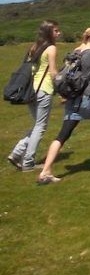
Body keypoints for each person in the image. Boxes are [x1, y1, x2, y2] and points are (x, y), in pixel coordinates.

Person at [37, 23, 90, 183]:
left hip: (73, 99)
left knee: (63, 134)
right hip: (89, 99)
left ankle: (45, 171)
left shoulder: (75, 51)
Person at [8, 20, 61, 172]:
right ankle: (28, 162)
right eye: (56, 31)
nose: (59, 33)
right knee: (41, 126)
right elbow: (53, 72)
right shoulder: (51, 48)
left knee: (37, 124)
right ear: (49, 32)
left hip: (30, 90)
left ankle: (17, 154)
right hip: (44, 89)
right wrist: (61, 89)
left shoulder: (34, 47)